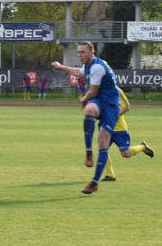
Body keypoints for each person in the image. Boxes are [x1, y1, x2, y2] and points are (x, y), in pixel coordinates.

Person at [52, 41, 121, 194]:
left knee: (103, 142)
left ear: (91, 52)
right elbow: (79, 72)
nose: (79, 55)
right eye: (78, 52)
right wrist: (62, 67)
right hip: (100, 101)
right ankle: (89, 151)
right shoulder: (90, 65)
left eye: (82, 52)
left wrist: (83, 100)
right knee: (89, 109)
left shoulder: (97, 67)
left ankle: (94, 182)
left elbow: (93, 92)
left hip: (111, 106)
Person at [101, 88, 154, 181]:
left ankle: (143, 147)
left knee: (126, 154)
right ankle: (110, 175)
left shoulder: (117, 91)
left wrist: (113, 115)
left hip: (119, 129)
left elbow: (127, 107)